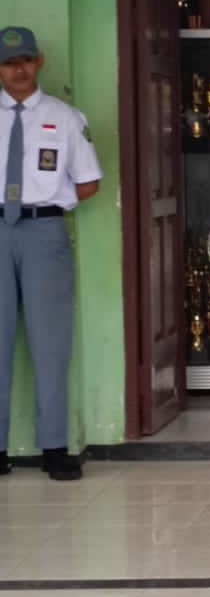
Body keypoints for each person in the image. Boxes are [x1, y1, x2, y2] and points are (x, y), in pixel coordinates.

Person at [0, 26, 102, 481]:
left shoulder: (64, 117)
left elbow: (88, 181)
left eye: (25, 60)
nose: (18, 70)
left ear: (38, 62)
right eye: (8, 62)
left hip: (44, 233)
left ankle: (55, 448)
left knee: (50, 343)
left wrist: (47, 202)